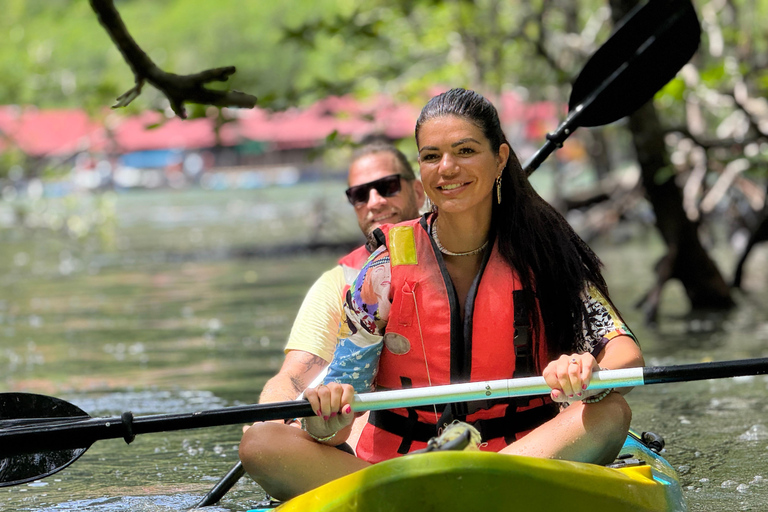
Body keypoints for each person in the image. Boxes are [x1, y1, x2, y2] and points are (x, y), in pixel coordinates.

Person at [239, 88, 644, 500]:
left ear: (500, 158)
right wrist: (323, 420)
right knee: (261, 444)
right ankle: (455, 495)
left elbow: (625, 353)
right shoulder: (383, 269)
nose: (447, 168)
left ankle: (454, 493)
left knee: (611, 411)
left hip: (522, 459)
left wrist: (588, 375)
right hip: (397, 470)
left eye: (465, 150)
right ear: (421, 169)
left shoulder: (546, 252)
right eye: (431, 156)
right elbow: (340, 415)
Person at [255, 143, 425, 407]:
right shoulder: (338, 282)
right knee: (260, 441)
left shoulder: (459, 255)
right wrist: (269, 419)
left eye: (388, 186)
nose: (374, 202)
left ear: (417, 191)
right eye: (359, 194)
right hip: (372, 429)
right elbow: (292, 378)